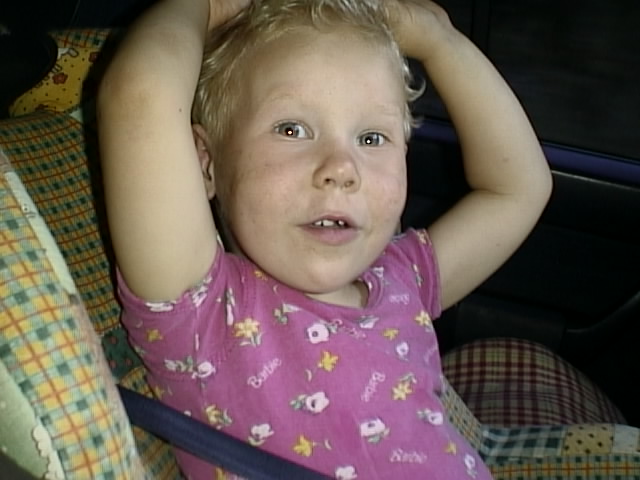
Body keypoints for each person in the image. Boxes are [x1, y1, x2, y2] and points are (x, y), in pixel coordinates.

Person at [97, 0, 552, 478]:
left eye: (371, 138)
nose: (341, 168)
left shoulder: (403, 279)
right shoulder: (204, 310)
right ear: (206, 164)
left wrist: (439, 40)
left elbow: (519, 187)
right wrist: (207, 6)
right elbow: (140, 97)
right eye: (292, 129)